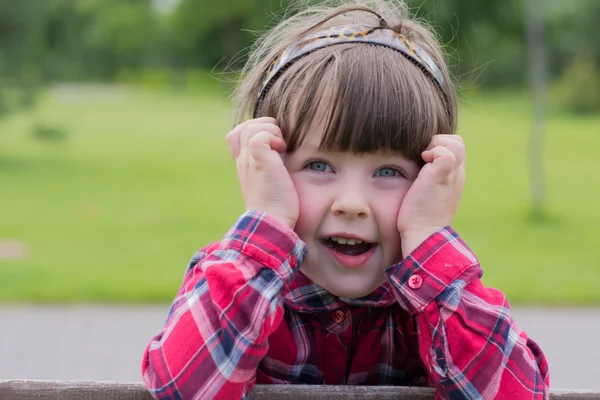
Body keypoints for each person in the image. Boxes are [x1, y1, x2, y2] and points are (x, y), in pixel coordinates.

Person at [141, 1, 550, 399]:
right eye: (319, 166)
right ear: (272, 167)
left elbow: (520, 394)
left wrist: (428, 236)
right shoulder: (238, 280)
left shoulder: (440, 304)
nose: (351, 204)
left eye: (388, 172)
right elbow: (184, 388)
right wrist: (268, 219)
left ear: (429, 180)